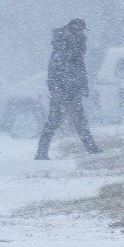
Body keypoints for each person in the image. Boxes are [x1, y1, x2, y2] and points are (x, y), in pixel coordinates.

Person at [35, 18, 102, 159]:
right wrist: (56, 89)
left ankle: (92, 149)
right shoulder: (63, 47)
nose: (83, 36)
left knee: (76, 120)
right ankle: (42, 153)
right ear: (74, 30)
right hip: (63, 90)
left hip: (72, 89)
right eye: (80, 32)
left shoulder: (73, 47)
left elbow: (79, 69)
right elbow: (56, 69)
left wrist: (82, 86)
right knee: (57, 121)